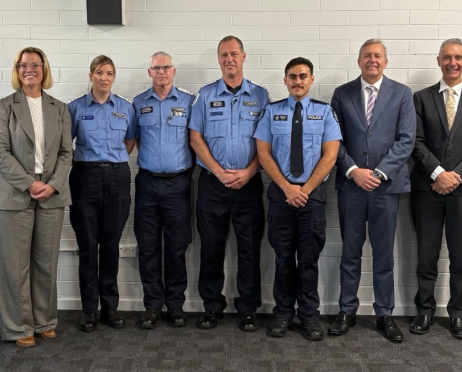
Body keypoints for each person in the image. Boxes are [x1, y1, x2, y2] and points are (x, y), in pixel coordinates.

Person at [329, 38, 415, 343]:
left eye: (378, 56)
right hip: (351, 186)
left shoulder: (402, 94)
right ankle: (347, 310)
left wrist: (377, 174)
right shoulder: (342, 94)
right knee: (350, 252)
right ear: (359, 61)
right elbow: (333, 140)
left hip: (385, 187)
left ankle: (384, 313)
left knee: (383, 254)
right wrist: (353, 171)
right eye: (367, 55)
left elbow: (406, 140)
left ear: (386, 61)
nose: (372, 60)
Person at [408, 39, 462, 339]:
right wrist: (438, 173)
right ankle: (425, 311)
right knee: (426, 255)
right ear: (438, 60)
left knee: (461, 257)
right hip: (426, 189)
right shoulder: (420, 98)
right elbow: (415, 142)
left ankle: (458, 313)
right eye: (447, 57)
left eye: (458, 57)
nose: (452, 62)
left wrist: (454, 177)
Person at [254, 57, 341, 341]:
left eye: (303, 76)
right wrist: (288, 188)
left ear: (311, 79)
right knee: (282, 258)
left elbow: (330, 155)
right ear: (285, 80)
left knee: (308, 259)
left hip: (311, 197)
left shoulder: (325, 112)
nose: (298, 81)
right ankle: (282, 313)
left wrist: (304, 190)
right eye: (292, 76)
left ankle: (308, 315)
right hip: (281, 196)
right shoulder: (272, 112)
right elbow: (263, 153)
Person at [0, 47, 73, 347]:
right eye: (24, 65)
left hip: (52, 194)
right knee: (15, 266)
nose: (30, 70)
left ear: (44, 69)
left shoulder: (59, 108)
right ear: (17, 69)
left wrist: (51, 184)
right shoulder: (4, 106)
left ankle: (44, 321)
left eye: (36, 65)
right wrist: (29, 184)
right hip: (14, 194)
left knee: (45, 263)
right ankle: (18, 326)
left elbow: (67, 152)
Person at [188, 36, 270, 332]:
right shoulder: (206, 95)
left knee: (248, 248)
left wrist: (249, 172)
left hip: (249, 184)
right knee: (211, 247)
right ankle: (212, 307)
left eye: (234, 54)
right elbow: (195, 138)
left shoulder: (260, 96)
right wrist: (219, 172)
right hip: (212, 183)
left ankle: (247, 308)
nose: (229, 59)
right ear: (219, 59)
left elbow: (267, 141)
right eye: (224, 55)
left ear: (244, 57)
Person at [68, 55, 136, 332]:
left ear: (113, 77)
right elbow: (65, 144)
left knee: (111, 244)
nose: (104, 78)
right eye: (99, 72)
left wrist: (113, 160)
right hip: (85, 177)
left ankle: (110, 308)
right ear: (91, 76)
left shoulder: (125, 108)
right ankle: (88, 310)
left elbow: (130, 141)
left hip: (118, 176)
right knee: (87, 246)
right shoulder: (74, 108)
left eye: (109, 73)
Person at [131, 52, 195, 329]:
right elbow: (129, 141)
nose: (161, 72)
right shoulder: (137, 103)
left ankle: (176, 306)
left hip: (178, 184)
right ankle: (152, 306)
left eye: (166, 67)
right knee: (148, 247)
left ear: (174, 71)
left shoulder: (189, 102)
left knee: (177, 248)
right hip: (146, 183)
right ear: (149, 72)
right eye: (156, 68)